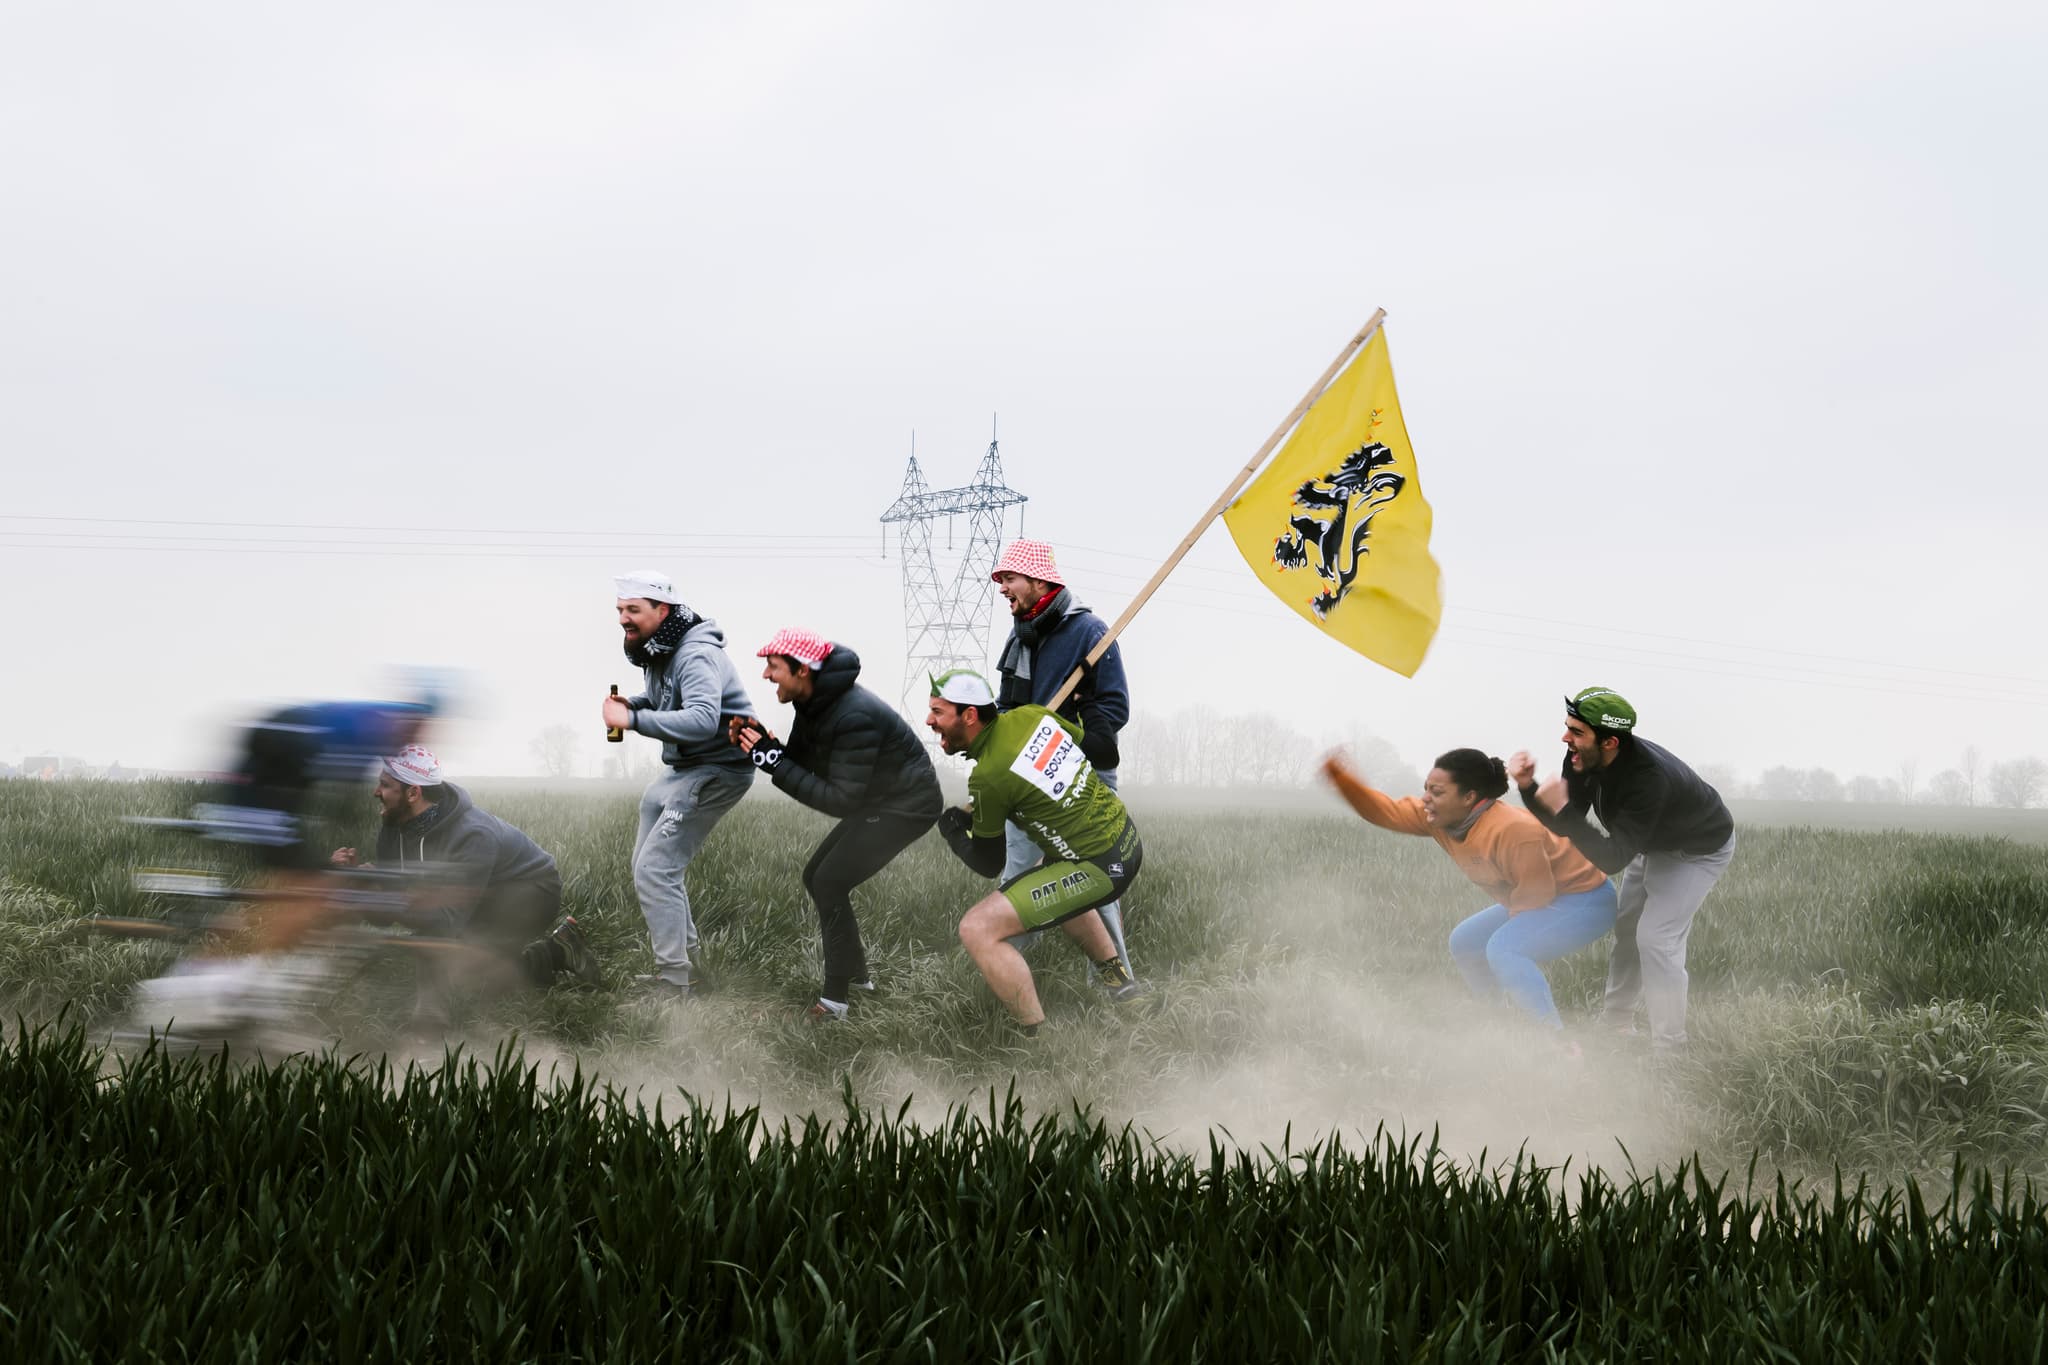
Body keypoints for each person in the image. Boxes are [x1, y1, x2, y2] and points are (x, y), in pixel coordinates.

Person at [726, 629, 943, 1020]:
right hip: (877, 798)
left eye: (773, 667)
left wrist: (773, 762)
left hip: (906, 807)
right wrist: (764, 745)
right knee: (816, 876)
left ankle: (835, 1001)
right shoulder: (815, 702)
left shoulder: (852, 713)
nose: (766, 676)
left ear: (803, 670)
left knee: (829, 881)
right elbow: (802, 762)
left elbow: (839, 799)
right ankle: (858, 981)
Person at [1319, 746, 1617, 1030]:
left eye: (1436, 792)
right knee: (1465, 942)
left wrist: (1515, 932)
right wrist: (1342, 778)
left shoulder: (1512, 829)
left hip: (1585, 900)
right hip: (1539, 897)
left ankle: (1551, 1038)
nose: (1425, 799)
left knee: (1505, 949)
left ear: (1469, 797)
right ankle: (1496, 1021)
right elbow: (1385, 811)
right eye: (1426, 789)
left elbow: (1536, 894)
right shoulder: (1437, 818)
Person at [1509, 687, 1736, 1050]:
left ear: (1610, 741)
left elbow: (1612, 858)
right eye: (1568, 727)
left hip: (1696, 851)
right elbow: (1567, 822)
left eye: (1577, 731)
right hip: (1648, 844)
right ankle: (1616, 1024)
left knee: (1656, 939)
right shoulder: (1582, 758)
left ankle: (1671, 1048)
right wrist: (1527, 788)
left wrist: (1560, 810)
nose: (1565, 737)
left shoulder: (1648, 780)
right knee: (1628, 929)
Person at [925, 668, 1141, 1033]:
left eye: (938, 712)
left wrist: (953, 833)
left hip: (1099, 867)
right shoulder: (1031, 715)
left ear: (970, 715)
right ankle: (1123, 987)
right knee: (1056, 884)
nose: (930, 721)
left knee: (977, 928)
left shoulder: (989, 776)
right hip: (1124, 842)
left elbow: (988, 861)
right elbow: (1104, 753)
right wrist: (1087, 703)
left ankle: (1033, 1038)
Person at [331, 745, 601, 1009]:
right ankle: (559, 948)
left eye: (385, 784)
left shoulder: (472, 835)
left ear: (413, 793)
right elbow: (387, 916)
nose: (376, 792)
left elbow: (445, 920)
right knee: (458, 962)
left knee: (465, 967)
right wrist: (359, 882)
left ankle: (549, 954)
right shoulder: (393, 828)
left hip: (531, 891)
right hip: (478, 895)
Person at [989, 538, 1138, 989]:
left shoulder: (1089, 632)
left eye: (1008, 579)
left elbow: (1115, 708)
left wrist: (1066, 732)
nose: (1002, 589)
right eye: (999, 581)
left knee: (1095, 883)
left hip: (1080, 779)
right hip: (1026, 779)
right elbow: (1007, 705)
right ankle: (1004, 972)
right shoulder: (1021, 636)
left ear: (1039, 580)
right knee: (1018, 873)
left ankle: (1118, 986)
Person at [599, 569, 755, 999]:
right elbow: (669, 699)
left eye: (633, 610)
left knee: (656, 869)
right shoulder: (659, 650)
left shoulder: (695, 654)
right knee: (645, 865)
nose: (623, 619)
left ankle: (674, 982)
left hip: (718, 768)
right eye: (619, 610)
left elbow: (704, 718)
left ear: (662, 610)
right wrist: (634, 702)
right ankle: (690, 968)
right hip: (683, 767)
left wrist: (631, 720)